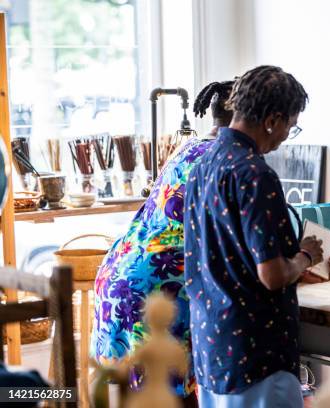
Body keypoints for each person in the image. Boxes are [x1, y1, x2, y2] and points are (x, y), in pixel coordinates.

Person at [184, 65, 330, 408]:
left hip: (212, 346)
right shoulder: (256, 174)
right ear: (272, 119)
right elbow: (271, 276)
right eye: (290, 124)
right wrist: (306, 256)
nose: (287, 134)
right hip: (256, 354)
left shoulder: (202, 166)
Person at [91, 80, 235, 405]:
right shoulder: (227, 160)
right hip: (160, 290)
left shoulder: (189, 148)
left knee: (134, 396)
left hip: (123, 276)